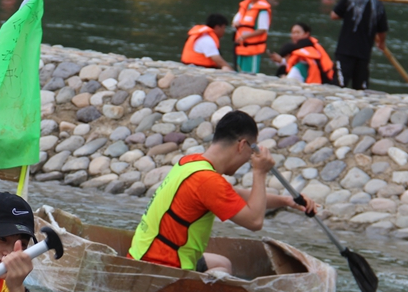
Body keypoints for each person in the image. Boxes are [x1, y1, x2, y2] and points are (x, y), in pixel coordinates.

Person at [128, 111, 317, 275]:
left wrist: (286, 201)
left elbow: (235, 195)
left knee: (222, 264)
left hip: (140, 254)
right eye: (251, 152)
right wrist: (259, 173)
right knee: (222, 275)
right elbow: (254, 221)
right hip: (162, 266)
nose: (249, 159)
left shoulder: (191, 162)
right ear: (242, 145)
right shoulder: (208, 181)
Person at [331, 0, 388, 90]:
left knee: (339, 85)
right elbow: (382, 30)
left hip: (345, 50)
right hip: (364, 52)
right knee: (360, 88)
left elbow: (334, 15)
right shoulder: (377, 2)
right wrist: (381, 43)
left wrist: (347, 14)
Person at [270, 22, 334, 84]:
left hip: (321, 78)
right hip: (323, 78)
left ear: (306, 34)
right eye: (293, 33)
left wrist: (282, 60)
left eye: (298, 32)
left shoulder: (307, 45)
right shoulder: (311, 45)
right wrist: (281, 61)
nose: (295, 35)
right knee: (282, 69)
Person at [233, 0, 272, 74]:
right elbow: (235, 21)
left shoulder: (262, 10)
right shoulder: (245, 6)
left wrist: (246, 36)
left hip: (253, 48)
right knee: (240, 71)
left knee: (251, 73)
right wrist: (236, 24)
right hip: (241, 46)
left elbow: (262, 29)